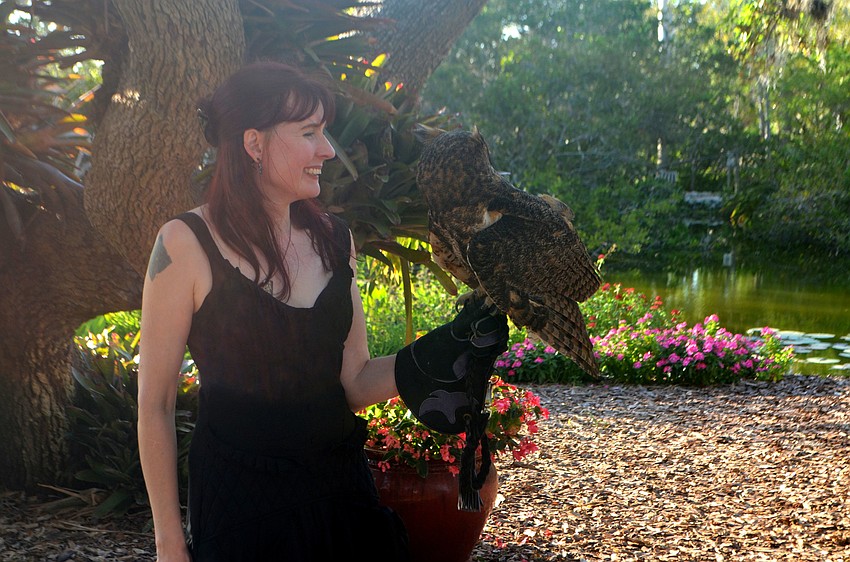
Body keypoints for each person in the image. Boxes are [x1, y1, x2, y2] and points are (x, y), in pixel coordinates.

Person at [137, 60, 507, 562]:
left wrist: (438, 351)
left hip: (343, 503)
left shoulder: (335, 240)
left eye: (325, 132)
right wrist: (169, 545)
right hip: (243, 517)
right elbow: (154, 407)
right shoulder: (184, 243)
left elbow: (352, 381)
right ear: (254, 144)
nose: (327, 150)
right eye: (309, 132)